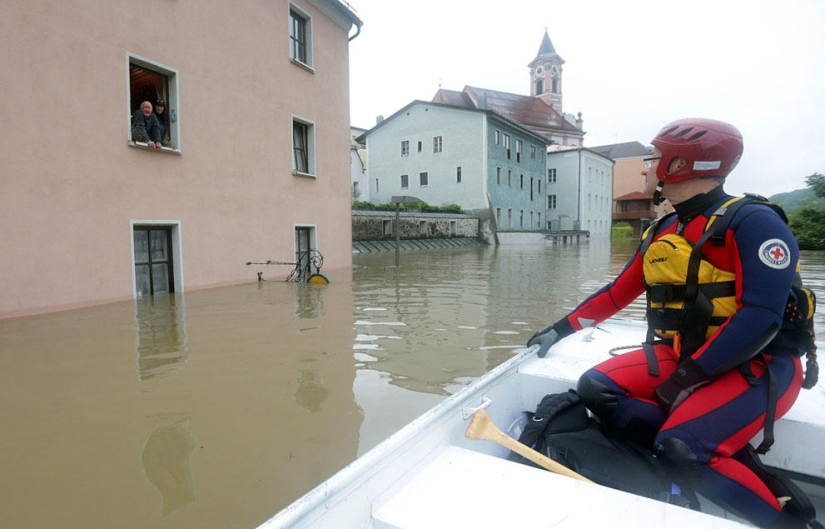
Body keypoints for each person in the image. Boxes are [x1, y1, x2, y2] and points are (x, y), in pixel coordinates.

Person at [528, 118, 812, 528]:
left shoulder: (754, 222)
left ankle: (788, 522)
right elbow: (615, 294)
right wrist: (559, 329)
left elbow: (761, 318)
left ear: (682, 164)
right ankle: (709, 439)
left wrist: (685, 379)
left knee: (681, 448)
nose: (646, 168)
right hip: (686, 357)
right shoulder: (665, 227)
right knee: (596, 389)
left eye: (653, 158)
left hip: (761, 366)